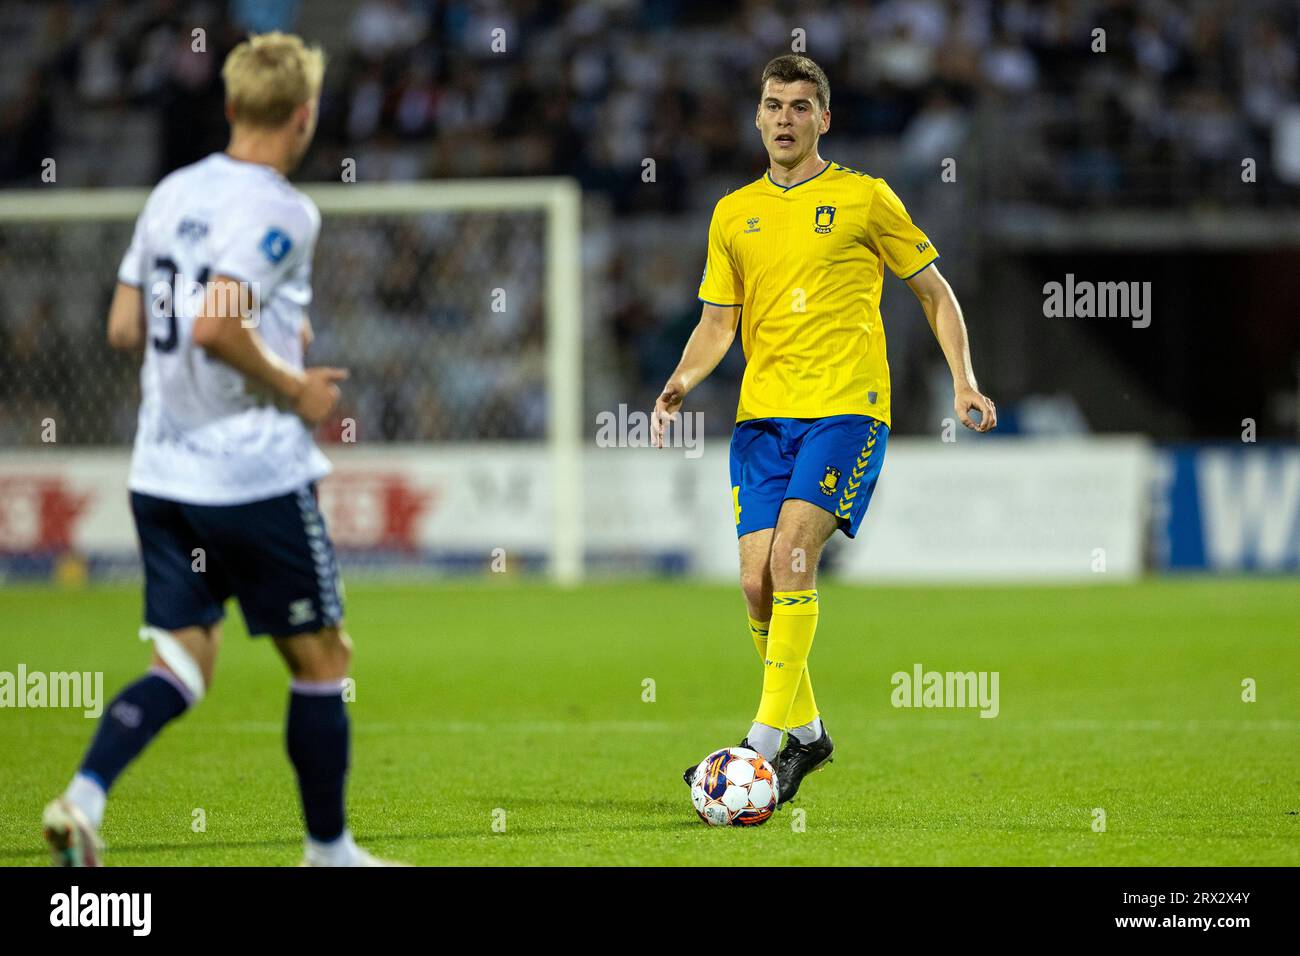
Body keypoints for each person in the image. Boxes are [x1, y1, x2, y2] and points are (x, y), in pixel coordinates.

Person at [42, 32, 397, 867]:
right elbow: (216, 322)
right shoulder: (282, 208)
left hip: (161, 470)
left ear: (233, 106)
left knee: (185, 661)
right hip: (251, 474)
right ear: (304, 117)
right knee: (323, 658)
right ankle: (329, 852)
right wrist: (294, 387)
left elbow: (128, 324)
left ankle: (82, 799)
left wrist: (256, 333)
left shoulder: (171, 192)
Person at [653, 54, 997, 806]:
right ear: (757, 117)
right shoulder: (732, 212)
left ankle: (761, 748)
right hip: (761, 420)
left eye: (800, 106)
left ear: (823, 119)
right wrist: (682, 379)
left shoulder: (865, 198)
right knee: (755, 585)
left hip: (847, 407)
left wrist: (963, 379)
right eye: (773, 104)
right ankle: (809, 736)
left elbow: (934, 293)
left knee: (792, 559)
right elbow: (718, 322)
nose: (784, 118)